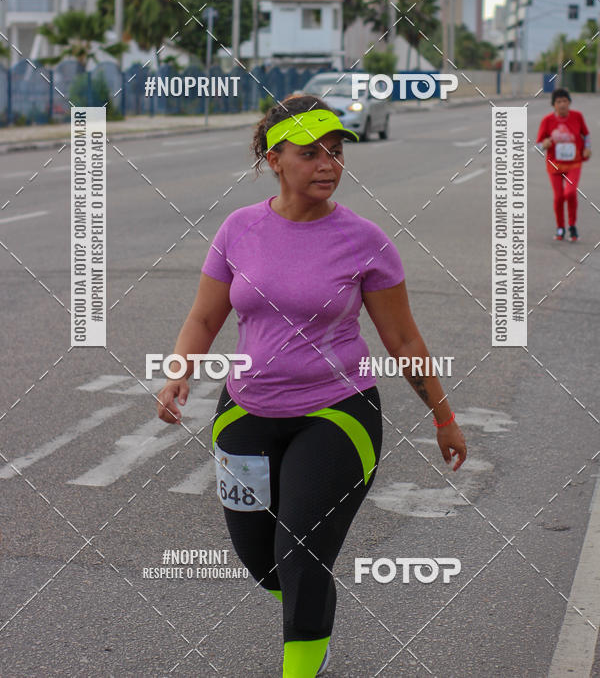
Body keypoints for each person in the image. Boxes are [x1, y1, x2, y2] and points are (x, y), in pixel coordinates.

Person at [157, 94, 467, 678]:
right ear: (275, 159)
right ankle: (310, 603)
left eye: (337, 150)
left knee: (299, 548)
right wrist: (179, 373)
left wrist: (444, 419)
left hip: (338, 412)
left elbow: (402, 341)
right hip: (245, 410)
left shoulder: (364, 240)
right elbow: (204, 318)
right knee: (261, 557)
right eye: (311, 153)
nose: (329, 164)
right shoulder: (239, 228)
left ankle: (303, 642)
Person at [536, 88, 591, 241]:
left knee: (570, 193)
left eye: (565, 101)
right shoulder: (547, 121)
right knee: (559, 197)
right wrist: (544, 144)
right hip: (554, 165)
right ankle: (560, 228)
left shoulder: (577, 117)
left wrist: (587, 148)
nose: (562, 105)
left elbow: (586, 134)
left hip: (574, 163)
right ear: (553, 105)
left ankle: (572, 226)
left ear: (569, 103)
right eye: (558, 102)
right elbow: (538, 145)